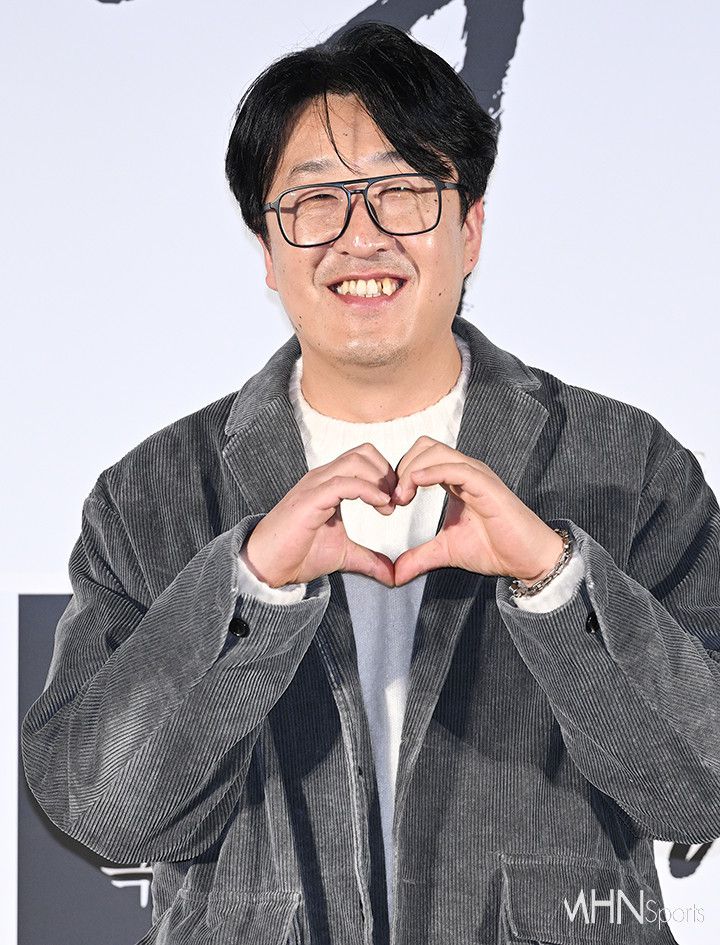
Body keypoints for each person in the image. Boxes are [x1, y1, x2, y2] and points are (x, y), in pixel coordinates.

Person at [21, 21, 720, 945]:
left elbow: (701, 791)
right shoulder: (149, 496)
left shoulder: (629, 466)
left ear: (470, 229)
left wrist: (557, 583)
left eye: (402, 193)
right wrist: (250, 589)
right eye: (316, 202)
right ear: (267, 251)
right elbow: (105, 810)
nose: (362, 237)